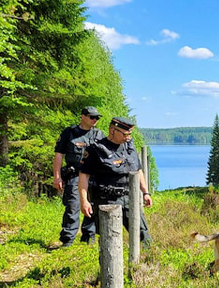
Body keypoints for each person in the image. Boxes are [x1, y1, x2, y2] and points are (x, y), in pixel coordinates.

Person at [78, 117, 153, 245]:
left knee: (143, 236)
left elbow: (138, 170)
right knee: (110, 239)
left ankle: (145, 261)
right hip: (107, 200)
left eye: (129, 134)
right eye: (125, 134)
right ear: (112, 130)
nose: (128, 137)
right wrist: (84, 201)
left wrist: (146, 192)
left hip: (129, 198)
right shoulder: (96, 150)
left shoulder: (129, 147)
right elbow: (84, 176)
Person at [49, 106, 103, 248]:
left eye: (97, 118)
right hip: (74, 175)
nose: (95, 120)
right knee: (73, 206)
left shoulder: (99, 135)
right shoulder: (70, 132)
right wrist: (57, 176)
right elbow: (58, 155)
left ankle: (88, 238)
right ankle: (67, 240)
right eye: (92, 117)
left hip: (93, 177)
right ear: (83, 116)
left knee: (91, 206)